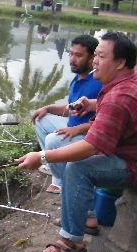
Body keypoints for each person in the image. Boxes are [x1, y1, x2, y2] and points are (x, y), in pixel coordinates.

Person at [17, 31, 137, 252]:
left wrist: (42, 156)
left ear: (120, 62)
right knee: (73, 161)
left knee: (79, 168)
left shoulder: (122, 95)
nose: (95, 61)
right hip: (128, 154)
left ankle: (72, 241)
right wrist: (92, 104)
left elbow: (91, 147)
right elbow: (111, 107)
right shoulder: (132, 80)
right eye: (95, 55)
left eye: (101, 56)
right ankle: (81, 218)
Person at [31, 35, 103, 195]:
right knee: (41, 119)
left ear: (92, 58)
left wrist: (78, 129)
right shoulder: (78, 78)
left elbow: (107, 120)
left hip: (89, 135)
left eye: (79, 55)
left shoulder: (99, 82)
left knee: (52, 139)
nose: (72, 59)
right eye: (71, 54)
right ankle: (53, 164)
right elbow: (71, 108)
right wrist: (48, 108)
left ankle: (62, 182)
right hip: (73, 127)